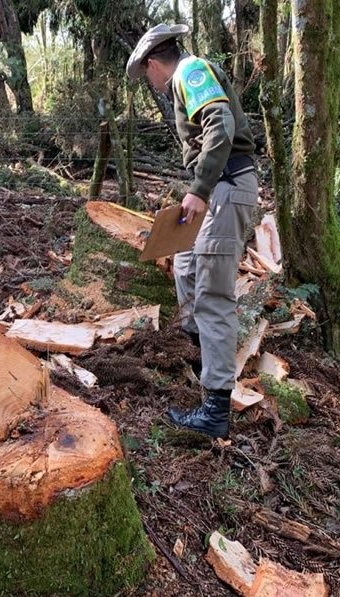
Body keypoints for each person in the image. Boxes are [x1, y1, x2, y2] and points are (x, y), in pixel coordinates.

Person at [126, 24, 258, 438]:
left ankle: (215, 408)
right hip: (217, 187)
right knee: (184, 262)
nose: (151, 83)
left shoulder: (190, 72)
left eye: (146, 76)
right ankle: (200, 354)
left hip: (224, 187)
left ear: (152, 64)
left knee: (215, 297)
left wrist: (198, 191)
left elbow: (219, 128)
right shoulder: (188, 75)